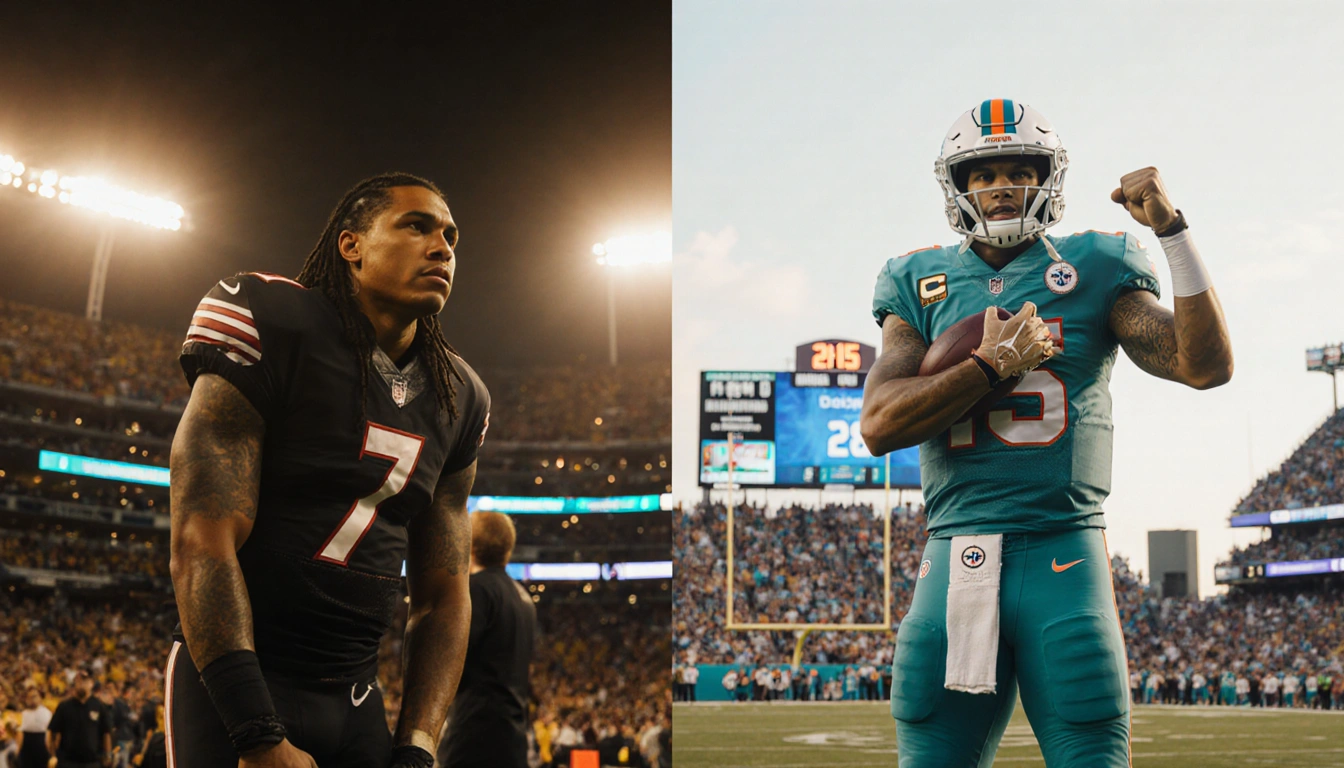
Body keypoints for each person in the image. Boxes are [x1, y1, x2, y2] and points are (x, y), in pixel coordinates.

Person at [863, 99, 1233, 767]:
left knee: (1090, 748)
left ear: (1048, 179)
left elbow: (1203, 366)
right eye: (983, 174)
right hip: (953, 552)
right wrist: (988, 367)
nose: (1002, 186)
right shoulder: (918, 280)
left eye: (1019, 170)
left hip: (1065, 551)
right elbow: (880, 424)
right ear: (959, 186)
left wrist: (1174, 233)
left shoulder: (1096, 263)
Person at [166, 173, 491, 768]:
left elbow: (444, 595)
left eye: (450, 235)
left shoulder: (460, 395)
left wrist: (418, 746)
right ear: (352, 246)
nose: (442, 246)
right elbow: (202, 539)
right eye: (416, 226)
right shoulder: (268, 316)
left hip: (356, 695)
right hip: (238, 679)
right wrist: (256, 732)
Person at [437, 511, 538, 768]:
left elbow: (450, 660)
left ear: (469, 542)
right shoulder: (523, 597)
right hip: (513, 737)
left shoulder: (476, 589)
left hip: (476, 735)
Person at [46, 670, 112, 768]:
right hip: (68, 762)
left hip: (92, 762)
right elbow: (52, 731)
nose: (81, 684)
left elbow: (106, 732)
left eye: (85, 681)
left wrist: (108, 754)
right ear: (74, 684)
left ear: (91, 684)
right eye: (78, 681)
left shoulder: (99, 706)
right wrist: (52, 755)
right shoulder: (64, 706)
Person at [16, 688, 51, 768]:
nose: (32, 699)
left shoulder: (47, 713)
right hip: (26, 749)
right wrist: (18, 750)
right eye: (29, 697)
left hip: (42, 747)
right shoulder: (23, 714)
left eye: (34, 696)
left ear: (40, 698)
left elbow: (50, 733)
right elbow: (19, 734)